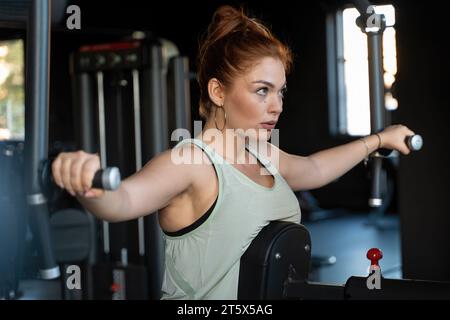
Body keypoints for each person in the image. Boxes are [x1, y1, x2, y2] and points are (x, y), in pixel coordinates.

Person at [52, 5, 415, 299]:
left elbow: (314, 168)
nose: (276, 106)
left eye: (280, 92)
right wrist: (92, 189)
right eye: (262, 90)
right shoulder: (192, 162)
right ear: (217, 92)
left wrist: (379, 140)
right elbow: (124, 202)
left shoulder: (261, 152)